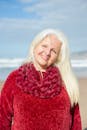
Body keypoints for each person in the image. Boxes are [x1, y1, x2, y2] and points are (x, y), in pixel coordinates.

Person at [0, 29, 82, 130]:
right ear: (35, 46)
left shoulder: (67, 82)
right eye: (44, 46)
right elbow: (2, 118)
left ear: (58, 57)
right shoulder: (15, 78)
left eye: (54, 51)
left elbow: (76, 122)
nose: (47, 52)